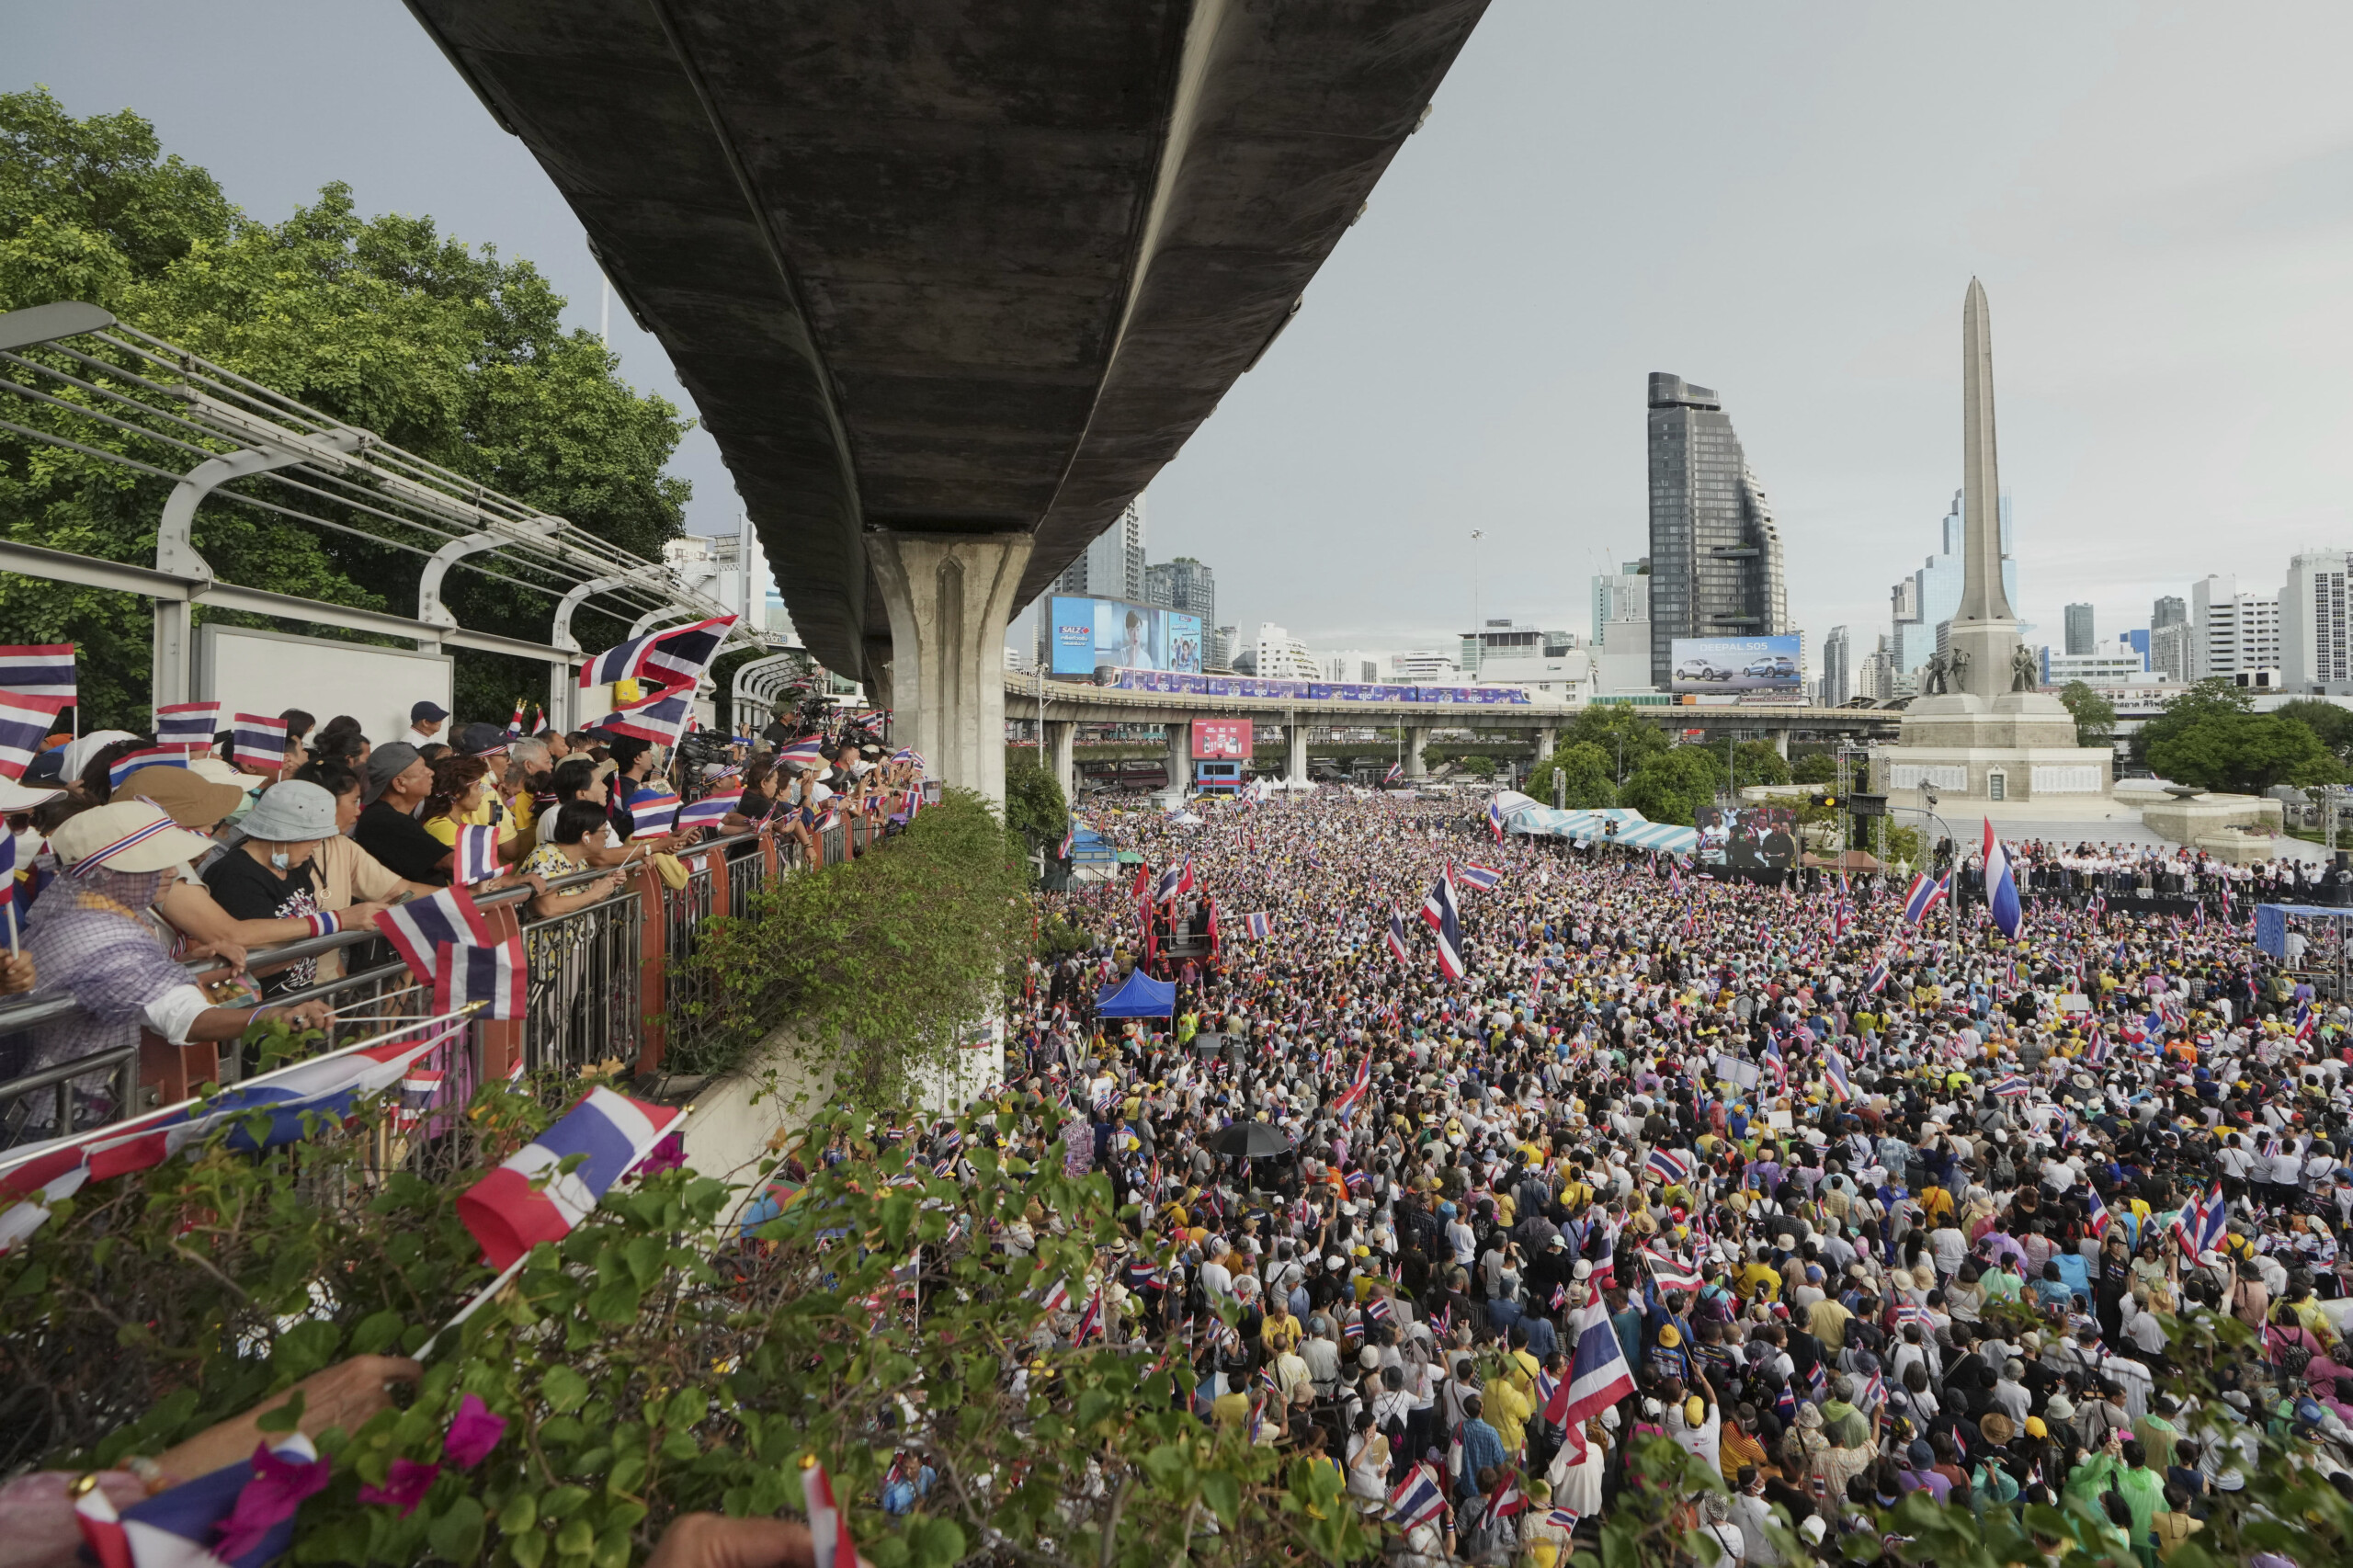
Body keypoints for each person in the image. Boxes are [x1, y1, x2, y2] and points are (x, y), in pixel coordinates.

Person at [20, 802, 333, 1126]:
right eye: (156, 863)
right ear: (108, 872)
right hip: (67, 1116)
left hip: (68, 1102)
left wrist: (181, 964)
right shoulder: (100, 933)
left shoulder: (88, 912)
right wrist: (271, 1016)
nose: (172, 871)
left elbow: (125, 980)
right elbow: (181, 1016)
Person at [199, 781, 389, 997]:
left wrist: (344, 927)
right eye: (314, 837)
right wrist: (338, 922)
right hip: (262, 1012)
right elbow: (249, 962)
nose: (317, 845)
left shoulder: (294, 866)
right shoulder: (234, 875)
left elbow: (306, 934)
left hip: (301, 1001)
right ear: (286, 834)